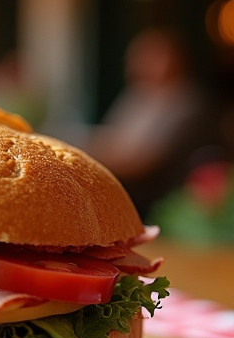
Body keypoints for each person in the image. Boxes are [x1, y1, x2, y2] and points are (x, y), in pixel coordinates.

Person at [84, 28, 217, 216]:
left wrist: (87, 155)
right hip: (121, 184)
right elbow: (112, 136)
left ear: (174, 60)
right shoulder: (137, 95)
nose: (137, 63)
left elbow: (145, 162)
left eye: (149, 57)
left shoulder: (185, 102)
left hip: (152, 201)